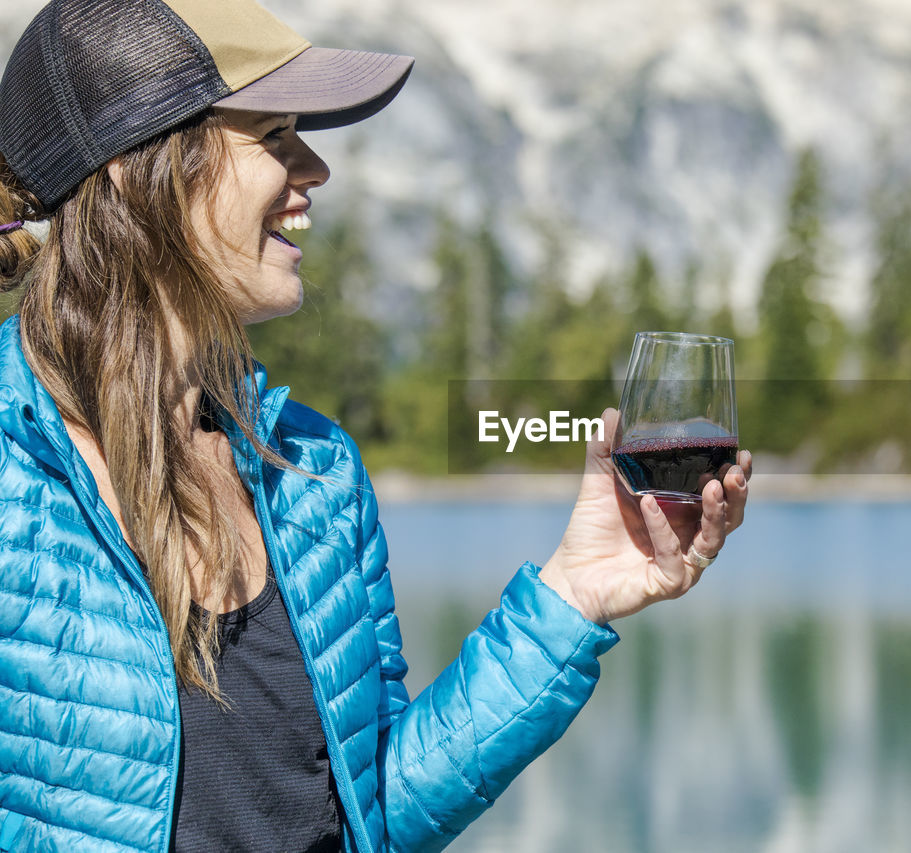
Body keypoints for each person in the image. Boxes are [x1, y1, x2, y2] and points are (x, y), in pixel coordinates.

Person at [0, 1, 751, 851]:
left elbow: (377, 810)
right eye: (275, 135)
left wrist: (574, 595)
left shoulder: (315, 471)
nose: (314, 168)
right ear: (140, 170)